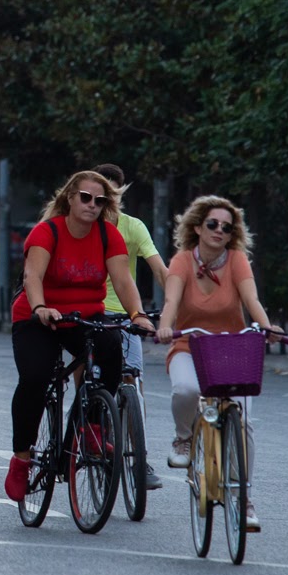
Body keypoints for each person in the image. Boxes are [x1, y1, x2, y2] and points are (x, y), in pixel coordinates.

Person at [3, 170, 154, 502]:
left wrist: (137, 314)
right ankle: (21, 458)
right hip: (39, 316)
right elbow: (32, 276)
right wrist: (40, 307)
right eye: (85, 198)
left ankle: (91, 428)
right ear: (70, 198)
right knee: (35, 378)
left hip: (84, 315)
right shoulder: (48, 231)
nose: (92, 205)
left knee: (112, 348)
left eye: (99, 200)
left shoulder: (108, 235)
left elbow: (123, 280)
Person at [156, 195, 277, 532]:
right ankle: (183, 438)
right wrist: (164, 327)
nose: (219, 230)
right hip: (188, 344)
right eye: (212, 224)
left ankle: (244, 496)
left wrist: (266, 327)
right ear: (197, 227)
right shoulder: (182, 260)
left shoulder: (237, 260)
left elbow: (251, 300)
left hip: (232, 349)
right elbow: (171, 301)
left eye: (227, 227)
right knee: (185, 389)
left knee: (244, 421)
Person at [93, 162, 171, 493]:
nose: (107, 202)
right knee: (88, 379)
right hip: (89, 314)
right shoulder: (83, 226)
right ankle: (86, 429)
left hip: (126, 316)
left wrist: (179, 307)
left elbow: (160, 270)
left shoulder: (133, 227)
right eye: (101, 195)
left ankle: (139, 456)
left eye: (113, 194)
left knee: (133, 382)